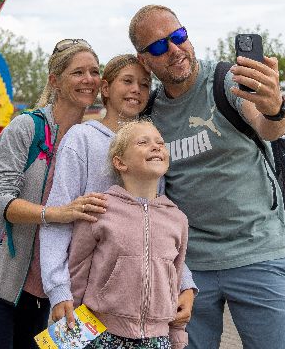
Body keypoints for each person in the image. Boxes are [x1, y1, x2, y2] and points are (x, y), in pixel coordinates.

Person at [128, 5, 285, 349]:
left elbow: (268, 128)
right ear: (144, 59)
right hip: (190, 269)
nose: (175, 50)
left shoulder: (225, 80)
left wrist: (274, 106)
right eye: (160, 46)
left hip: (257, 252)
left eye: (179, 37)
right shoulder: (149, 112)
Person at [0, 39, 108, 349]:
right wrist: (57, 213)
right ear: (55, 81)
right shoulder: (27, 127)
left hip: (45, 295)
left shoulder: (93, 139)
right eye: (78, 72)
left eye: (94, 71)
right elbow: (1, 202)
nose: (89, 80)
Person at [41, 55, 196, 330]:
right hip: (85, 299)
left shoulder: (152, 150)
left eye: (145, 84)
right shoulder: (81, 139)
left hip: (139, 312)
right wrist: (58, 288)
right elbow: (58, 217)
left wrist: (184, 282)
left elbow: (159, 226)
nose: (137, 89)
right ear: (105, 88)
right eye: (127, 81)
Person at [69, 119, 189, 349]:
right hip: (101, 333)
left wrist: (177, 336)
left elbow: (176, 275)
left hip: (157, 338)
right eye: (143, 142)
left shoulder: (178, 219)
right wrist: (73, 332)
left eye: (160, 143)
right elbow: (77, 271)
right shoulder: (100, 209)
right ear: (120, 162)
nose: (156, 147)